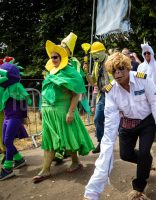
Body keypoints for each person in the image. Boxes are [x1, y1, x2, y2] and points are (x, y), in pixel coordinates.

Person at [83, 52, 156, 200]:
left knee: (144, 152)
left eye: (121, 69)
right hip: (127, 124)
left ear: (128, 68)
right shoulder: (110, 90)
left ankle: (138, 188)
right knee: (125, 155)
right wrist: (93, 189)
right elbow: (109, 127)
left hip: (147, 122)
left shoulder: (143, 80)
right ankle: (146, 161)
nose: (118, 73)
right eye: (114, 71)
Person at [32, 40, 94, 183]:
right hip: (48, 112)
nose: (52, 59)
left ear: (62, 57)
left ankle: (75, 161)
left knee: (68, 138)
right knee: (49, 141)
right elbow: (45, 92)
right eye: (51, 57)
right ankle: (45, 170)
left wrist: (71, 112)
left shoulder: (70, 72)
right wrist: (41, 109)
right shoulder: (50, 72)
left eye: (55, 57)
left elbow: (76, 94)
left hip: (62, 110)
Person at [0, 60, 31, 181]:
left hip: (14, 118)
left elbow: (25, 100)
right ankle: (19, 160)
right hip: (7, 117)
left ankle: (7, 169)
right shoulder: (5, 88)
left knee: (8, 142)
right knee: (5, 142)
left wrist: (24, 117)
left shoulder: (17, 87)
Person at [83, 41, 113, 154]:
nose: (94, 56)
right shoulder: (96, 64)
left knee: (115, 121)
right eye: (92, 54)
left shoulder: (111, 61)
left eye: (96, 53)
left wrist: (108, 88)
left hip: (114, 95)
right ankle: (101, 142)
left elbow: (117, 78)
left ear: (103, 51)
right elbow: (93, 82)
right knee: (97, 119)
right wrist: (86, 73)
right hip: (102, 96)